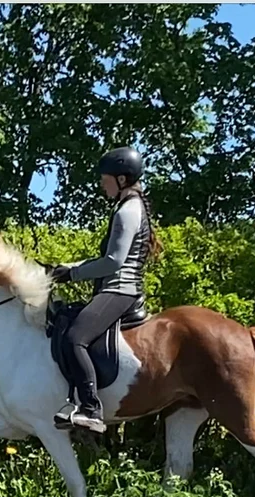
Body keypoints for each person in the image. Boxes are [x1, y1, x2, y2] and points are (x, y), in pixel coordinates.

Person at [49, 146, 160, 433]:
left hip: (120, 291)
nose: (102, 183)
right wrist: (64, 267)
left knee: (75, 338)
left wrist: (72, 273)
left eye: (105, 178)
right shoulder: (128, 207)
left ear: (122, 179)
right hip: (115, 288)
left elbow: (113, 262)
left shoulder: (128, 211)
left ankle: (91, 410)